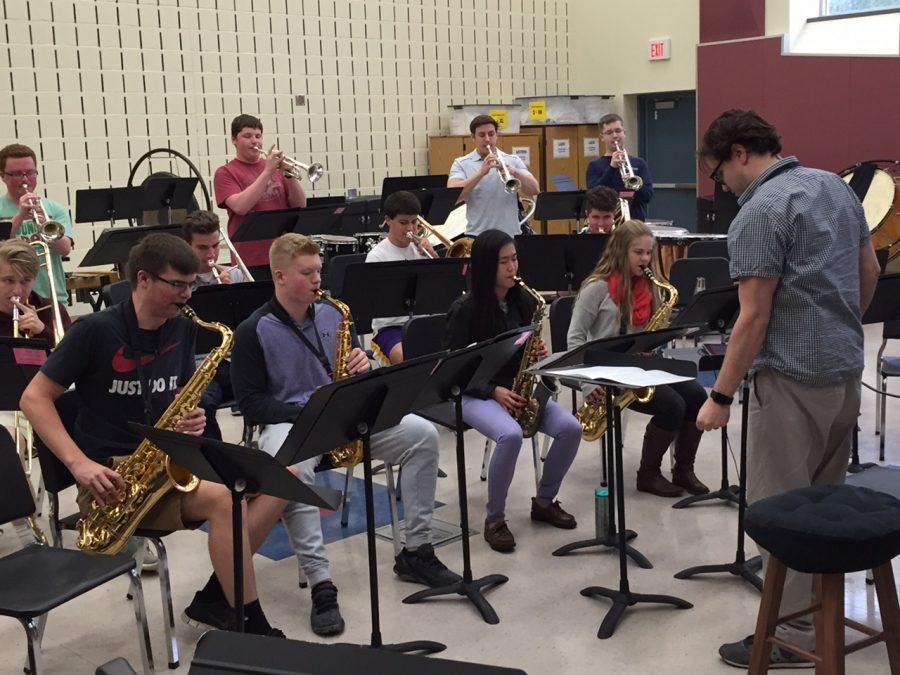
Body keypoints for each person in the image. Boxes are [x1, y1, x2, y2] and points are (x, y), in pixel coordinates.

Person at [19, 233, 289, 637]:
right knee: (226, 501)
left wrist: (190, 419)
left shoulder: (179, 328)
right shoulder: (94, 331)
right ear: (142, 279)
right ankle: (251, 626)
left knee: (280, 480)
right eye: (177, 285)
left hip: (166, 464)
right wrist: (79, 464)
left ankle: (219, 596)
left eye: (191, 285)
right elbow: (34, 398)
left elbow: (174, 400)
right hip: (112, 480)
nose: (187, 296)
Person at [693, 109, 880, 669]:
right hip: (846, 375)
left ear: (740, 153)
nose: (719, 183)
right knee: (821, 505)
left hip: (792, 383)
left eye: (718, 170)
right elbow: (869, 269)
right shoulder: (834, 186)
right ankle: (817, 615)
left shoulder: (759, 211)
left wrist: (719, 398)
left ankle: (793, 637)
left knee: (781, 514)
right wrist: (839, 328)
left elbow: (753, 318)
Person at [231, 233, 461, 637]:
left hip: (345, 413)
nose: (318, 279)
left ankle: (416, 550)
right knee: (291, 474)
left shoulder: (335, 313)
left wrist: (364, 365)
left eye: (319, 270)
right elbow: (250, 405)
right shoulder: (253, 330)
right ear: (280, 276)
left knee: (423, 435)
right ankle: (322, 583)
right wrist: (309, 411)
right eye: (307, 273)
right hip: (291, 421)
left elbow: (357, 366)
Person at [444, 229, 582, 552]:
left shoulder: (521, 301)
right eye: (503, 262)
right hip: (471, 392)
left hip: (514, 387)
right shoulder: (465, 309)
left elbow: (518, 348)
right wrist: (493, 391)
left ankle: (545, 502)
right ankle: (494, 519)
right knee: (510, 435)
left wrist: (532, 353)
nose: (512, 268)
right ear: (484, 266)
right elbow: (453, 369)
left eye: (514, 259)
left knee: (571, 429)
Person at [567, 220, 708, 497]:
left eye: (648, 253)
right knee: (672, 405)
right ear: (620, 252)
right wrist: (589, 385)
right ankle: (648, 474)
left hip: (640, 364)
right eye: (638, 253)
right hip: (607, 369)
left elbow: (651, 333)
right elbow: (574, 338)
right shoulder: (596, 288)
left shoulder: (652, 287)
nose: (645, 260)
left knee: (697, 395)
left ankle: (684, 470)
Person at [213, 114, 307, 270]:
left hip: (283, 253)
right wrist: (268, 171)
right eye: (247, 136)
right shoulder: (225, 173)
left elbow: (300, 204)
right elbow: (240, 207)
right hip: (249, 255)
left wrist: (290, 175)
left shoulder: (274, 167)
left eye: (258, 136)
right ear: (234, 140)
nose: (255, 141)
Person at [182, 210, 245, 440]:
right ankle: (217, 467)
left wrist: (234, 296)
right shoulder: (179, 285)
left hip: (238, 362)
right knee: (200, 405)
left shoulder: (235, 276)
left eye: (215, 246)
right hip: (202, 365)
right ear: (187, 247)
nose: (211, 254)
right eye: (202, 248)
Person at [365, 190, 436, 364]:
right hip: (391, 328)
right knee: (406, 357)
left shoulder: (423, 250)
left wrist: (432, 258)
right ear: (388, 220)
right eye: (403, 223)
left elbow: (439, 289)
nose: (411, 229)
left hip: (424, 323)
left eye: (414, 222)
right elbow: (376, 304)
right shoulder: (377, 256)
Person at [0, 143, 74, 300]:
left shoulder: (54, 209)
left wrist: (43, 226)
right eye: (17, 174)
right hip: (7, 299)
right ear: (3, 176)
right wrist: (20, 215)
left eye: (30, 173)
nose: (25, 179)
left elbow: (65, 249)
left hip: (52, 296)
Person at [448, 115, 540, 238]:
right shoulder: (461, 163)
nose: (487, 139)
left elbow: (535, 189)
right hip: (478, 236)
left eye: (491, 134)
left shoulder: (513, 160)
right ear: (473, 137)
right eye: (482, 135)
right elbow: (453, 195)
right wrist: (481, 173)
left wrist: (514, 172)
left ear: (496, 135)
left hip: (510, 236)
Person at [0, 239, 71, 343]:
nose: (18, 291)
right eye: (9, 280)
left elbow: (73, 357)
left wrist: (43, 331)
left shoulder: (51, 311)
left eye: (25, 281)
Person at [585, 114, 654, 221]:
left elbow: (647, 196)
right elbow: (593, 197)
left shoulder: (639, 163)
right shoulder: (594, 165)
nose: (615, 135)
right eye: (609, 132)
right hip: (606, 223)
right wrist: (612, 168)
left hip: (635, 221)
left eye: (618, 131)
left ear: (624, 133)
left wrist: (633, 186)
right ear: (602, 137)